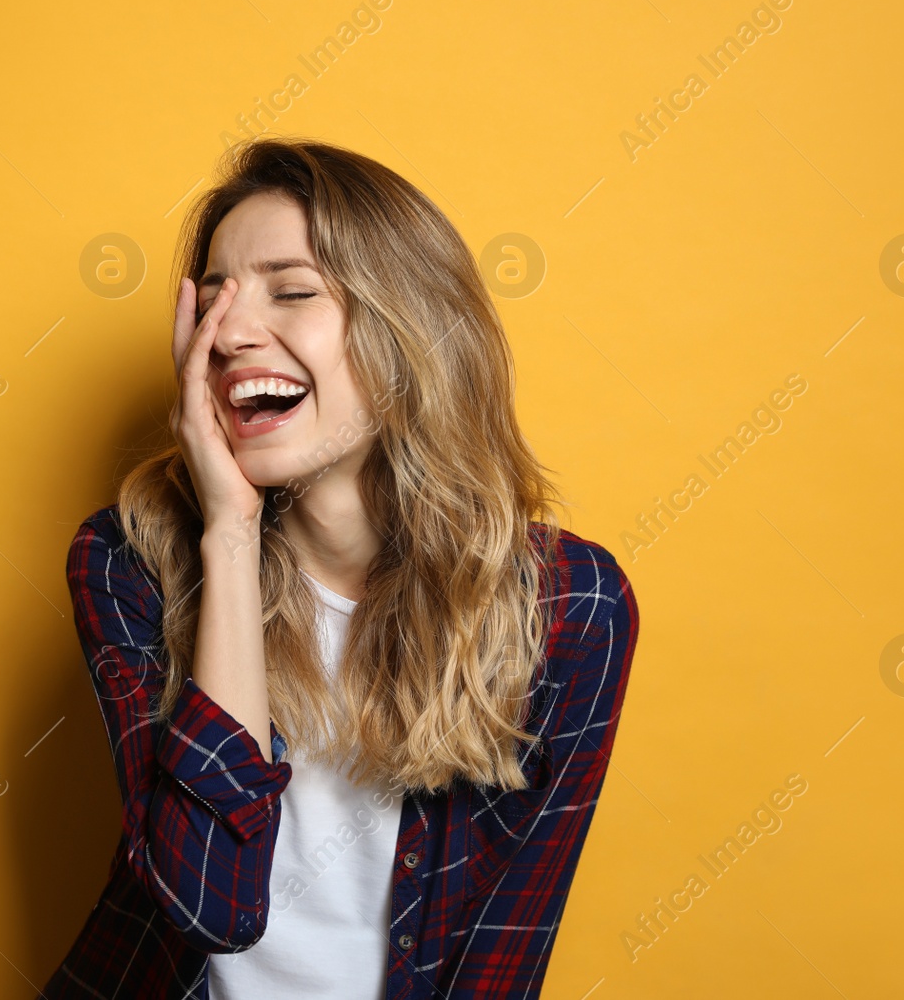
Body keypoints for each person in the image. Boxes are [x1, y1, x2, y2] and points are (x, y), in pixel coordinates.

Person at [41, 137, 639, 999]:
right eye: (213, 302)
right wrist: (230, 533)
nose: (234, 334)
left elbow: (503, 960)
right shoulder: (132, 565)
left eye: (292, 292)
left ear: (411, 329)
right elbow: (212, 904)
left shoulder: (570, 609)